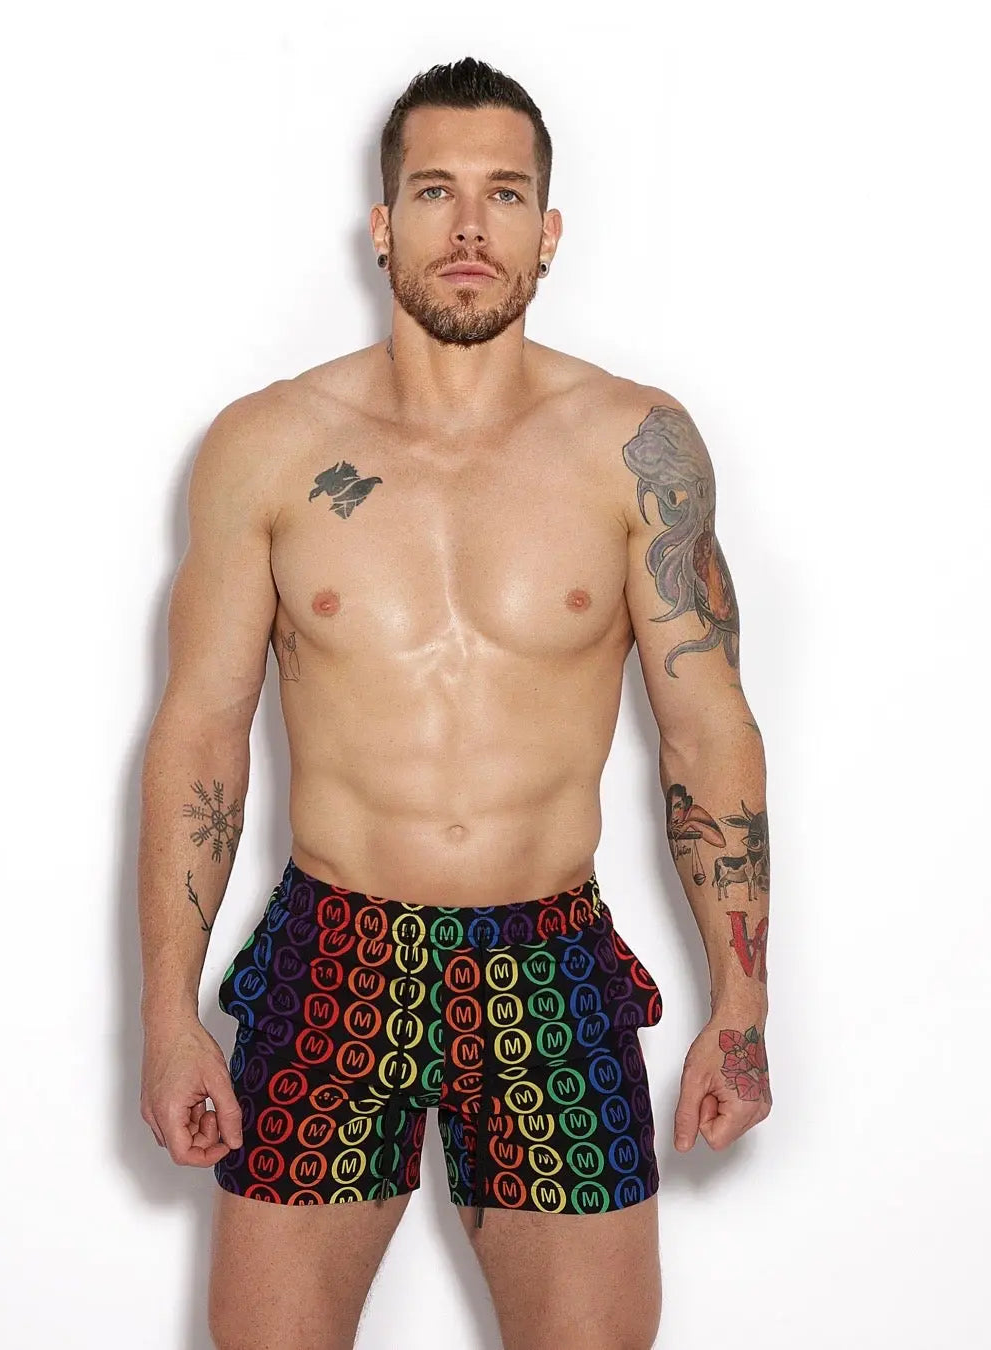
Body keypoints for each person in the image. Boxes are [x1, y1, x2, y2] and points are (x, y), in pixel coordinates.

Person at [138, 54, 772, 1350]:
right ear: (383, 225)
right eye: (435, 191)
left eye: (504, 194)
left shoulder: (636, 448)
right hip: (336, 950)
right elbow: (200, 735)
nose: (471, 226)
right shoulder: (269, 447)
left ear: (550, 231)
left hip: (549, 959)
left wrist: (744, 1006)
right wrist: (164, 1014)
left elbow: (708, 734)